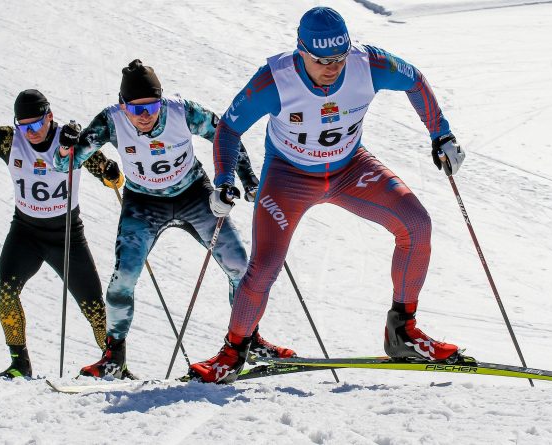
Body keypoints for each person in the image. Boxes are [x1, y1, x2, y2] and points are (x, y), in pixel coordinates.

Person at [188, 7, 469, 383]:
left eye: (339, 58)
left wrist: (441, 133)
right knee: (265, 266)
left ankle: (402, 331)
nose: (332, 68)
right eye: (321, 60)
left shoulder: (368, 64)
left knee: (417, 225)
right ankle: (234, 351)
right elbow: (228, 128)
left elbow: (414, 79)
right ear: (300, 50)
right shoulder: (275, 80)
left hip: (351, 169)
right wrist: (224, 180)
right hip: (289, 178)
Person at [55, 59, 295, 379]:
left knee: (240, 266)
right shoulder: (110, 121)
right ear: (122, 104)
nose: (145, 115)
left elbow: (225, 134)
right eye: (136, 108)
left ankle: (249, 341)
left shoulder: (182, 111)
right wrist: (65, 147)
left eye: (152, 106)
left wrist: (249, 179)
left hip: (193, 194)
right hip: (143, 203)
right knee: (124, 277)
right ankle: (113, 357)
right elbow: (65, 166)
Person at [0, 86, 122, 378]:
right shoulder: (8, 139)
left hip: (66, 236)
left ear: (49, 117)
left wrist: (110, 173)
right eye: (24, 126)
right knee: (7, 292)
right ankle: (20, 364)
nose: (30, 132)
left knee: (94, 307)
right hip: (26, 233)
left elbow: (113, 180)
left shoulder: (71, 140)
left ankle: (116, 364)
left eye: (36, 124)